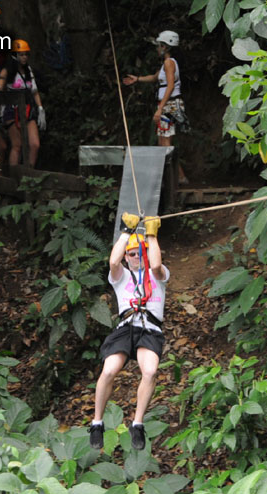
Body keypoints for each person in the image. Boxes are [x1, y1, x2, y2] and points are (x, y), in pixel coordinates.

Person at [90, 213, 168, 451]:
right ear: (127, 256)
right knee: (109, 370)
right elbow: (113, 262)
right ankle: (97, 423)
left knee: (150, 371)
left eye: (140, 253)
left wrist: (151, 235)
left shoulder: (158, 275)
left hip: (149, 329)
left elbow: (156, 265)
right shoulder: (121, 276)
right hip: (125, 328)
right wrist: (126, 232)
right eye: (132, 254)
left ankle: (138, 424)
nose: (136, 257)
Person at [122, 30, 189, 184]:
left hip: (170, 105)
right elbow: (154, 77)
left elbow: (170, 86)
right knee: (162, 143)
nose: (157, 48)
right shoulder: (167, 63)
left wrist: (160, 109)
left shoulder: (169, 63)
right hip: (169, 104)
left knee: (165, 144)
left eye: (159, 45)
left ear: (165, 46)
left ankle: (179, 177)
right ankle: (172, 177)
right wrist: (137, 79)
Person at [0, 39, 45, 167]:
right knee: (17, 145)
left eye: (26, 54)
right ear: (15, 55)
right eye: (21, 54)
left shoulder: (28, 70)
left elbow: (34, 91)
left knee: (34, 144)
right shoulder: (7, 70)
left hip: (28, 108)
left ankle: (29, 172)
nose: (24, 57)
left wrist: (40, 108)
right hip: (11, 110)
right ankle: (14, 174)